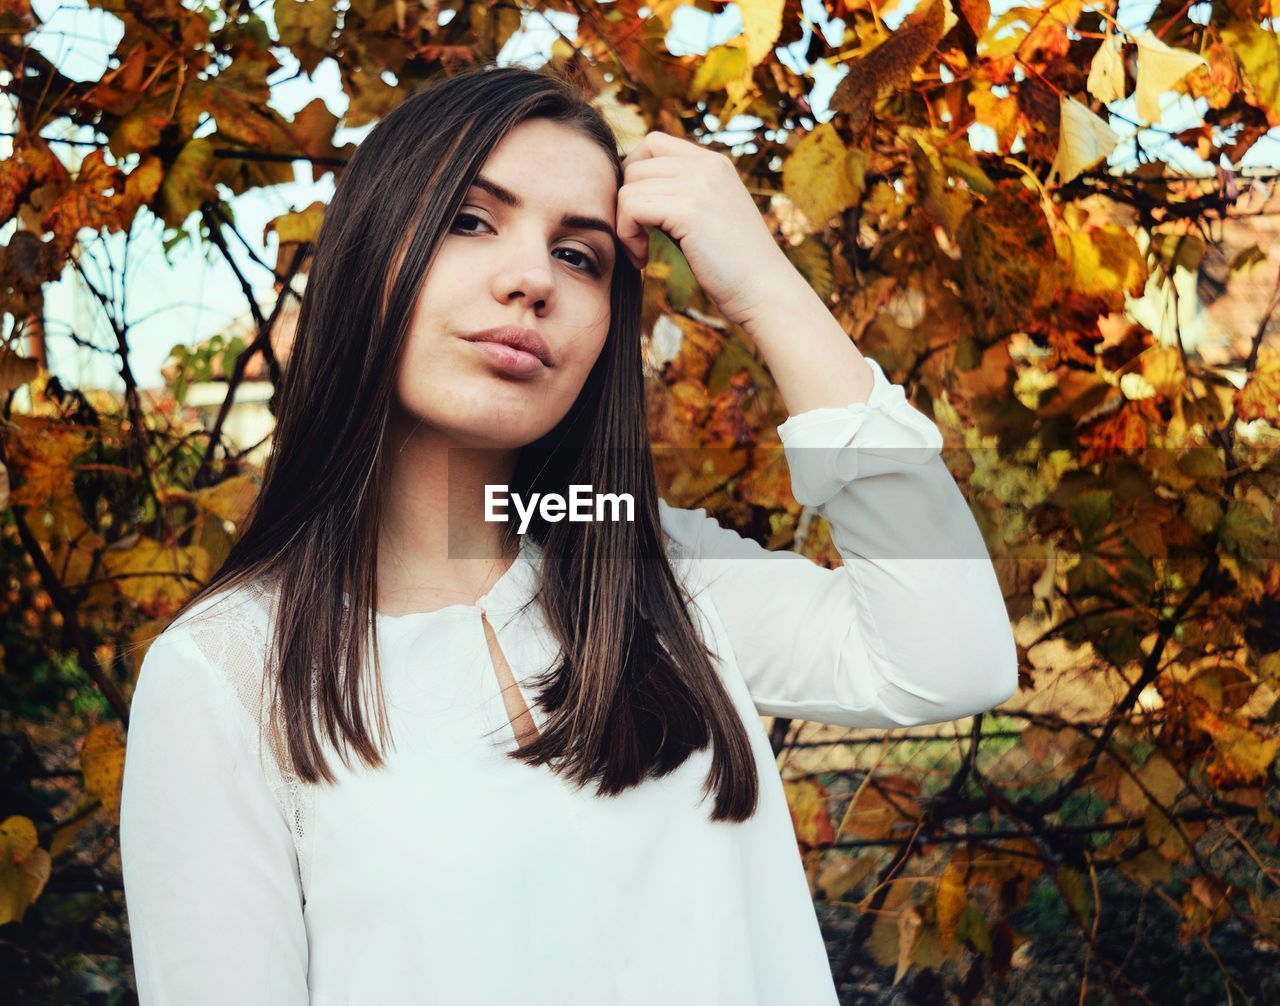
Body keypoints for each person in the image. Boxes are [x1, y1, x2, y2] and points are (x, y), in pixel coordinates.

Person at [119, 62, 1018, 1005]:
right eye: (471, 220)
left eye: (581, 255)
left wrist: (764, 290)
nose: (530, 280)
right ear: (370, 252)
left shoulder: (652, 567)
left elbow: (949, 657)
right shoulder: (226, 676)